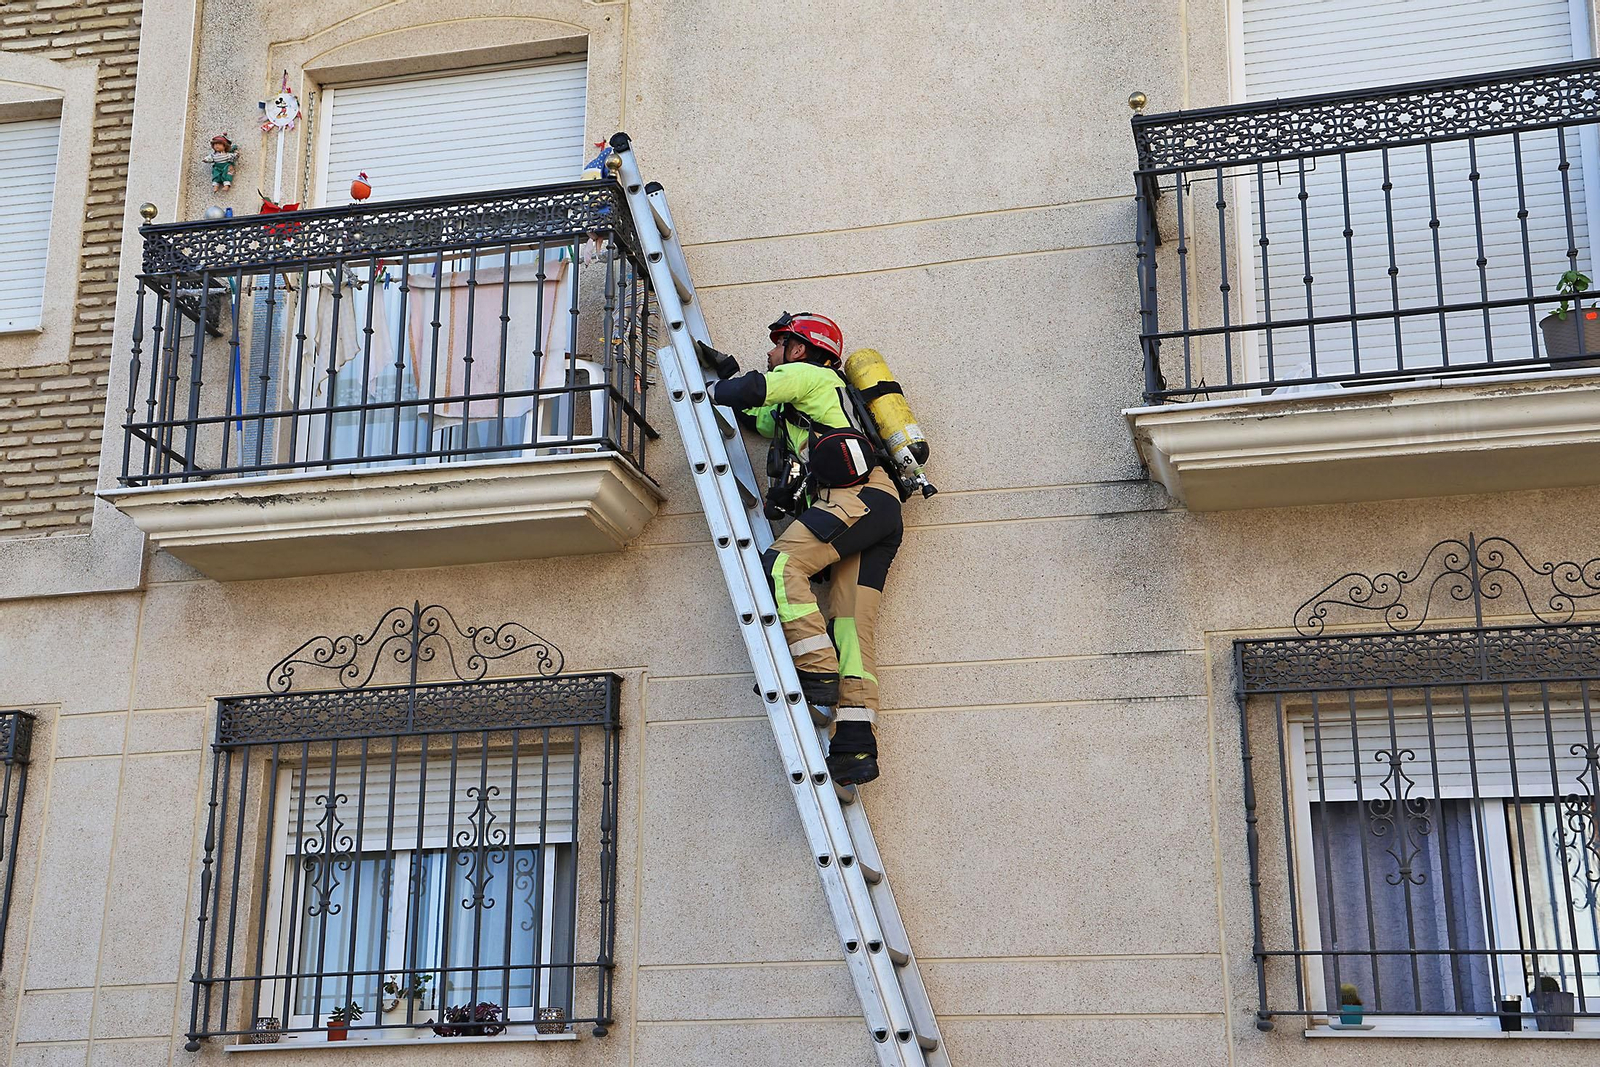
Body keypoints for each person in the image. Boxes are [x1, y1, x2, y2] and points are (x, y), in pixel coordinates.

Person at [705, 312, 903, 786]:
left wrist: (709, 383)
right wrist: (731, 380)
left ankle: (815, 674)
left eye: (778, 346)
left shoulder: (811, 376)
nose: (771, 355)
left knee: (780, 564)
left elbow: (748, 393)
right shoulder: (804, 406)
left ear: (799, 349)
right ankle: (855, 748)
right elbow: (757, 417)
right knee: (851, 625)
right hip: (879, 509)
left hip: (857, 499)